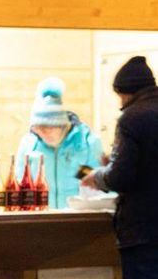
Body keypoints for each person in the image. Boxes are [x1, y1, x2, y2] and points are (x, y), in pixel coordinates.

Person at [81, 56, 158, 279]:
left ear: (126, 91)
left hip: (142, 232)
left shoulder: (131, 119)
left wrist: (98, 176)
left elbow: (122, 177)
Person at [15, 77, 103, 209]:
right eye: (38, 129)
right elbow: (19, 188)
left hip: (79, 221)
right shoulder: (29, 145)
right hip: (39, 222)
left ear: (62, 125)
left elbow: (102, 188)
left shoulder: (88, 144)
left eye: (47, 128)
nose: (42, 133)